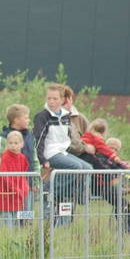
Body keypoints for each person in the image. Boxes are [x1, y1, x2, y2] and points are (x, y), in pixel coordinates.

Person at [33, 84, 92, 219]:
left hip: (63, 152)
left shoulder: (66, 116)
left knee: (87, 168)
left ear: (62, 100)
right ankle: (48, 189)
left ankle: (75, 193)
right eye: (49, 99)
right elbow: (39, 139)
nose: (51, 102)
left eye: (55, 99)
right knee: (75, 167)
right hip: (50, 152)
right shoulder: (42, 116)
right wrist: (42, 159)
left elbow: (67, 138)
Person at [0, 131, 29, 228]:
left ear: (22, 144)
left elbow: (24, 176)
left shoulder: (22, 158)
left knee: (17, 217)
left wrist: (24, 188)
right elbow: (4, 176)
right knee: (6, 219)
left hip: (17, 194)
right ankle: (5, 236)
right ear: (7, 144)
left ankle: (17, 236)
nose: (13, 146)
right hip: (6, 193)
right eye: (10, 143)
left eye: (16, 143)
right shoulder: (5, 157)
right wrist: (15, 188)